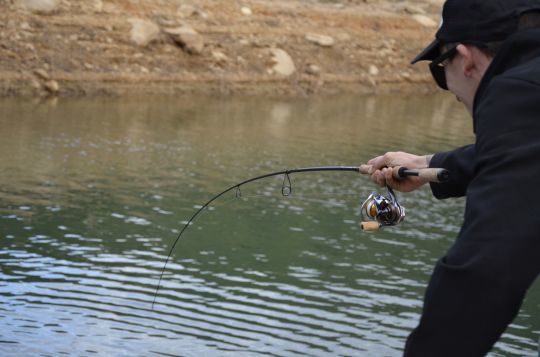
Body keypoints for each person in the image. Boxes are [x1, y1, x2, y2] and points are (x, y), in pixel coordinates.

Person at [367, 0, 540, 355]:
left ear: (466, 57)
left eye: (440, 66)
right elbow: (525, 152)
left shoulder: (516, 92)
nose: (446, 84)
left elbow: (485, 273)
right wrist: (426, 166)